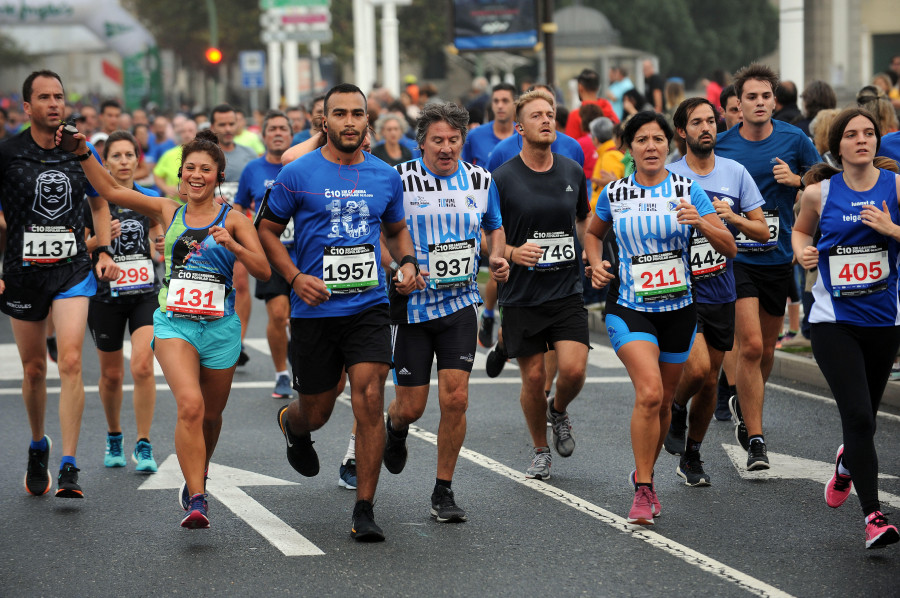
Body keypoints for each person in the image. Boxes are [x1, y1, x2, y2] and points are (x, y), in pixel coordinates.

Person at [64, 125, 271, 528]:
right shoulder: (168, 210)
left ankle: (200, 470)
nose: (196, 175)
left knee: (211, 416)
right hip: (174, 323)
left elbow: (262, 268)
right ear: (181, 174)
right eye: (190, 168)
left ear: (218, 176)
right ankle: (197, 498)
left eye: (205, 169)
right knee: (190, 406)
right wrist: (84, 149)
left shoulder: (237, 220)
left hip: (220, 328)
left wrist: (233, 244)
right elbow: (110, 191)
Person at [257, 83, 420, 542]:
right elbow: (266, 231)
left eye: (357, 114)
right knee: (319, 410)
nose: (350, 122)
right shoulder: (297, 173)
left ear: (367, 120)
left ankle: (364, 508)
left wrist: (406, 262)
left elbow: (397, 230)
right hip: (315, 311)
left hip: (368, 305)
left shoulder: (386, 176)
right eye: (340, 114)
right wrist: (293, 278)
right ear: (324, 121)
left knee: (369, 399)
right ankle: (294, 424)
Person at [584, 111, 735, 524]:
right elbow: (593, 234)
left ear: (669, 145)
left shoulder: (688, 189)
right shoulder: (614, 193)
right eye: (641, 140)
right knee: (649, 392)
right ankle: (644, 489)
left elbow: (729, 247)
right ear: (628, 148)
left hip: (679, 310)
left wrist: (701, 222)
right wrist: (596, 263)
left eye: (657, 139)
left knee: (665, 402)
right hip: (630, 309)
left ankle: (644, 468)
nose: (650, 147)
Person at [382, 102, 509, 522]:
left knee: (455, 398)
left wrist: (501, 256)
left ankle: (443, 490)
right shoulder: (399, 179)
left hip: (460, 303)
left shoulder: (479, 179)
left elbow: (493, 225)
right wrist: (398, 266)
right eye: (438, 140)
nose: (447, 148)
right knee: (411, 407)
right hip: (413, 307)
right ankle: (395, 428)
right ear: (420, 144)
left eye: (454, 140)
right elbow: (379, 229)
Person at [1, 70, 119, 499]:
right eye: (44, 97)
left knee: (70, 361)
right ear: (27, 107)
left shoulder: (79, 151)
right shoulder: (8, 153)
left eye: (59, 96)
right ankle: (38, 445)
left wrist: (102, 249)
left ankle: (69, 464)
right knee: (34, 369)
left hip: (72, 268)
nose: (54, 104)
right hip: (22, 271)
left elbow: (101, 201)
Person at [792, 107, 900, 549]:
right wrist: (803, 253)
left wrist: (891, 228)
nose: (863, 140)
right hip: (834, 321)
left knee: (866, 423)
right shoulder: (819, 193)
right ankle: (874, 517)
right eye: (853, 134)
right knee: (856, 415)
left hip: (885, 320)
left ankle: (846, 465)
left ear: (877, 141)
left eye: (870, 133)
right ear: (837, 146)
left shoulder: (896, 186)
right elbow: (800, 233)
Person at [715, 63, 820, 470]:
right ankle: (757, 440)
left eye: (765, 96)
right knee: (752, 344)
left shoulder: (795, 138)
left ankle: (745, 402)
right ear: (737, 104)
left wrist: (796, 181)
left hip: (777, 257)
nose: (759, 103)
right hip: (736, 256)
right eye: (751, 97)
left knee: (766, 353)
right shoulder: (723, 145)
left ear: (775, 101)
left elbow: (823, 181)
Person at [662, 98, 767, 486]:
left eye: (711, 121)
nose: (706, 127)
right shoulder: (667, 177)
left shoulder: (735, 172)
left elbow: (761, 231)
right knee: (700, 368)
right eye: (696, 122)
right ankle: (674, 407)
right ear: (681, 131)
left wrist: (730, 217)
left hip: (722, 288)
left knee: (710, 383)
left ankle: (692, 454)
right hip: (679, 292)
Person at [492, 89, 590, 480]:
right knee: (534, 377)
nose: (547, 120)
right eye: (537, 116)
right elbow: (489, 235)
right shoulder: (501, 178)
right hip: (522, 294)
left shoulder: (572, 170)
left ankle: (559, 410)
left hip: (566, 289)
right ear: (520, 127)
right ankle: (540, 450)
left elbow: (583, 220)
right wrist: (512, 253)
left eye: (550, 114)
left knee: (575, 371)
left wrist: (589, 253)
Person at [87, 130, 164, 473]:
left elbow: (159, 242)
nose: (122, 162)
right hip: (104, 296)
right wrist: (98, 242)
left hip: (144, 294)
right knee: (112, 375)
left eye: (128, 155)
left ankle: (143, 443)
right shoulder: (95, 201)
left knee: (143, 365)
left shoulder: (150, 198)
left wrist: (159, 247)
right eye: (115, 156)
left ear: (138, 160)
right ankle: (114, 434)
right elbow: (76, 248)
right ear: (104, 162)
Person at [233, 110, 293, 398]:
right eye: (273, 129)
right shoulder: (252, 169)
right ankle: (282, 372)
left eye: (283, 128)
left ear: (292, 136)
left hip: (304, 253)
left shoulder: (303, 166)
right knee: (279, 314)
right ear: (264, 135)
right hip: (270, 252)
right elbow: (239, 206)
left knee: (304, 318)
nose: (278, 133)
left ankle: (302, 364)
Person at [210, 104, 259, 365]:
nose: (228, 129)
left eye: (232, 124)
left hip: (238, 227)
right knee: (215, 283)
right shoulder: (205, 155)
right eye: (222, 125)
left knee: (240, 284)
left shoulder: (249, 156)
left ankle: (237, 342)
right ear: (213, 127)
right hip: (206, 229)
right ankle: (213, 335)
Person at [461, 83, 517, 166]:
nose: (500, 106)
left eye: (505, 101)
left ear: (515, 104)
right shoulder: (474, 135)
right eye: (496, 101)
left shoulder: (524, 136)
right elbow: (466, 170)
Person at [565, 69, 618, 141]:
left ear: (580, 87)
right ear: (598, 87)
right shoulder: (611, 113)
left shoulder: (575, 116)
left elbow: (571, 146)